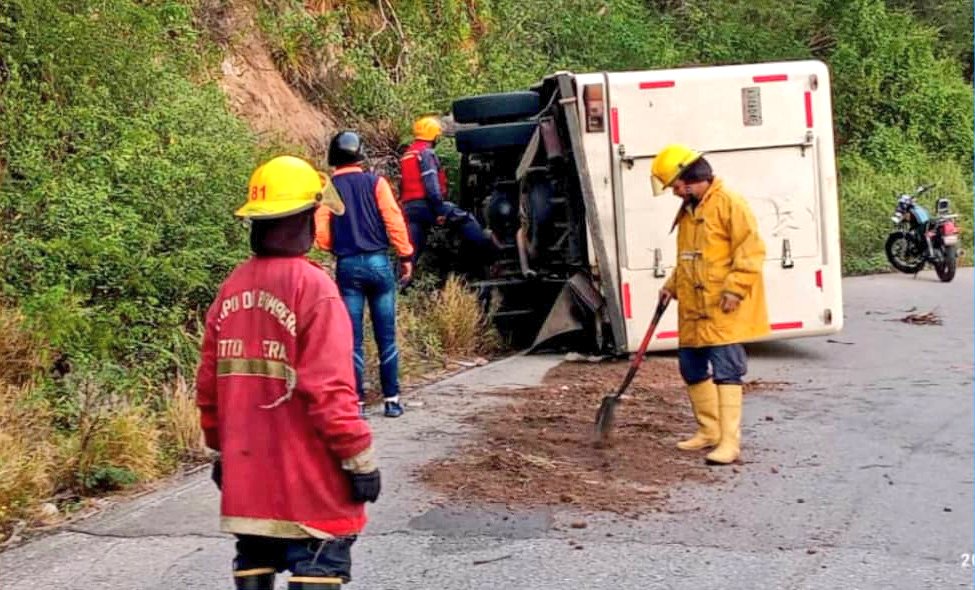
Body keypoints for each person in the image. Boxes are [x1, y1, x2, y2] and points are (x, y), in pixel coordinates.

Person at [196, 155, 381, 590]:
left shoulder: (233, 288)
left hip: (250, 479)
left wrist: (222, 451)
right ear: (306, 217)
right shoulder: (314, 289)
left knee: (255, 552)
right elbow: (331, 390)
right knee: (321, 558)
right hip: (310, 481)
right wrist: (359, 459)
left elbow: (209, 387)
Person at [651, 144, 769, 465]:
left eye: (675, 186)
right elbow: (689, 258)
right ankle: (710, 431)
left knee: (727, 371)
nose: (675, 193)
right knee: (690, 367)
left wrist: (736, 288)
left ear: (689, 178)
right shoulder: (689, 212)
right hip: (692, 309)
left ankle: (730, 442)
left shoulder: (730, 204)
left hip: (721, 307)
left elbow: (751, 250)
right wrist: (671, 286)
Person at [315, 131, 414, 418]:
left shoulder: (331, 188)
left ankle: (356, 404)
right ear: (361, 155)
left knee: (351, 340)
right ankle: (392, 400)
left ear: (333, 157)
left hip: (348, 267)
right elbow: (393, 220)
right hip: (379, 264)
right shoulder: (376, 183)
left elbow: (321, 235)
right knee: (386, 337)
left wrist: (339, 244)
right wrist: (405, 255)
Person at [398, 115, 501, 265]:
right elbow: (431, 184)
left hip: (410, 208)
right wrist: (439, 208)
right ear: (434, 136)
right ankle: (492, 255)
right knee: (465, 218)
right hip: (426, 204)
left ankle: (400, 282)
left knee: (412, 250)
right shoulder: (426, 154)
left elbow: (403, 186)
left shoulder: (407, 155)